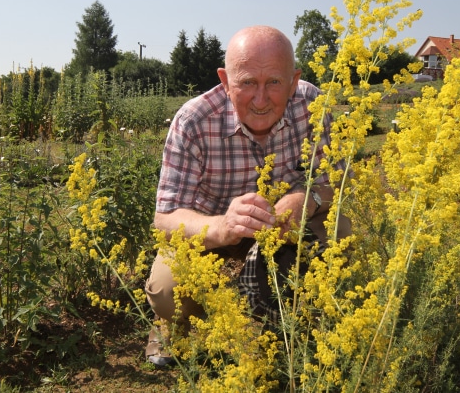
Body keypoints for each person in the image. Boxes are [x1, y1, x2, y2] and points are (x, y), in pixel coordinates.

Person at [145, 25, 345, 366]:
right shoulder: (193, 121)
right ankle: (173, 324)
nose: (261, 99)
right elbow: (165, 219)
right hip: (209, 234)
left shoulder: (313, 105)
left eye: (274, 83)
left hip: (284, 232)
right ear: (225, 81)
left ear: (294, 80)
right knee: (167, 291)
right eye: (247, 82)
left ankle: (298, 319)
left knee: (343, 234)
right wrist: (223, 227)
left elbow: (337, 180)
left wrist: (305, 200)